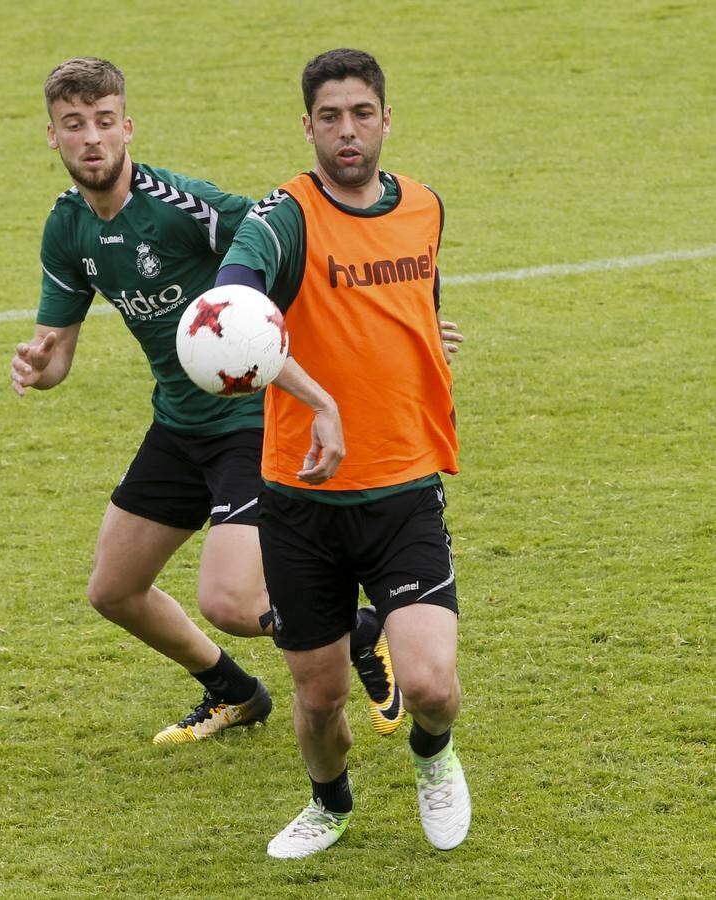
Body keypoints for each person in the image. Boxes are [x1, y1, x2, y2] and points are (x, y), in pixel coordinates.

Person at [10, 57, 432, 745]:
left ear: (128, 128)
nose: (92, 139)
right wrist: (37, 363)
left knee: (235, 601)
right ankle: (235, 694)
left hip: (250, 422)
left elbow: (299, 235)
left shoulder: (182, 206)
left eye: (105, 122)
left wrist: (390, 305)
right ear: (52, 136)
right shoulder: (67, 229)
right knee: (113, 591)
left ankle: (360, 628)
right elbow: (55, 349)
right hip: (178, 424)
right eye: (74, 125)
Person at [215, 48, 471, 856]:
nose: (347, 131)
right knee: (318, 698)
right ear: (307, 127)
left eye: (362, 113)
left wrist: (422, 337)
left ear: (387, 118)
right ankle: (329, 803)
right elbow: (231, 308)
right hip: (300, 503)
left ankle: (433, 757)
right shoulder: (280, 218)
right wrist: (320, 398)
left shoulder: (424, 205)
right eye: (330, 117)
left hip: (401, 486)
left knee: (431, 684)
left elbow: (409, 296)